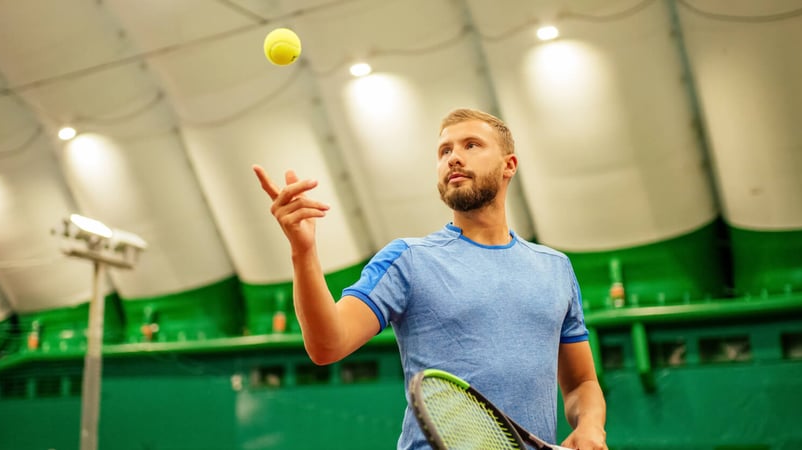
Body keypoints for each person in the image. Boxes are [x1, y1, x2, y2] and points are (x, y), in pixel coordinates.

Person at [252, 108, 607, 450]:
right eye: (444, 151)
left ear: (508, 166)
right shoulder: (407, 260)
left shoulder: (555, 268)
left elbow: (581, 383)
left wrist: (590, 425)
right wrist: (302, 251)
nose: (453, 158)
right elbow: (327, 345)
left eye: (471, 145)